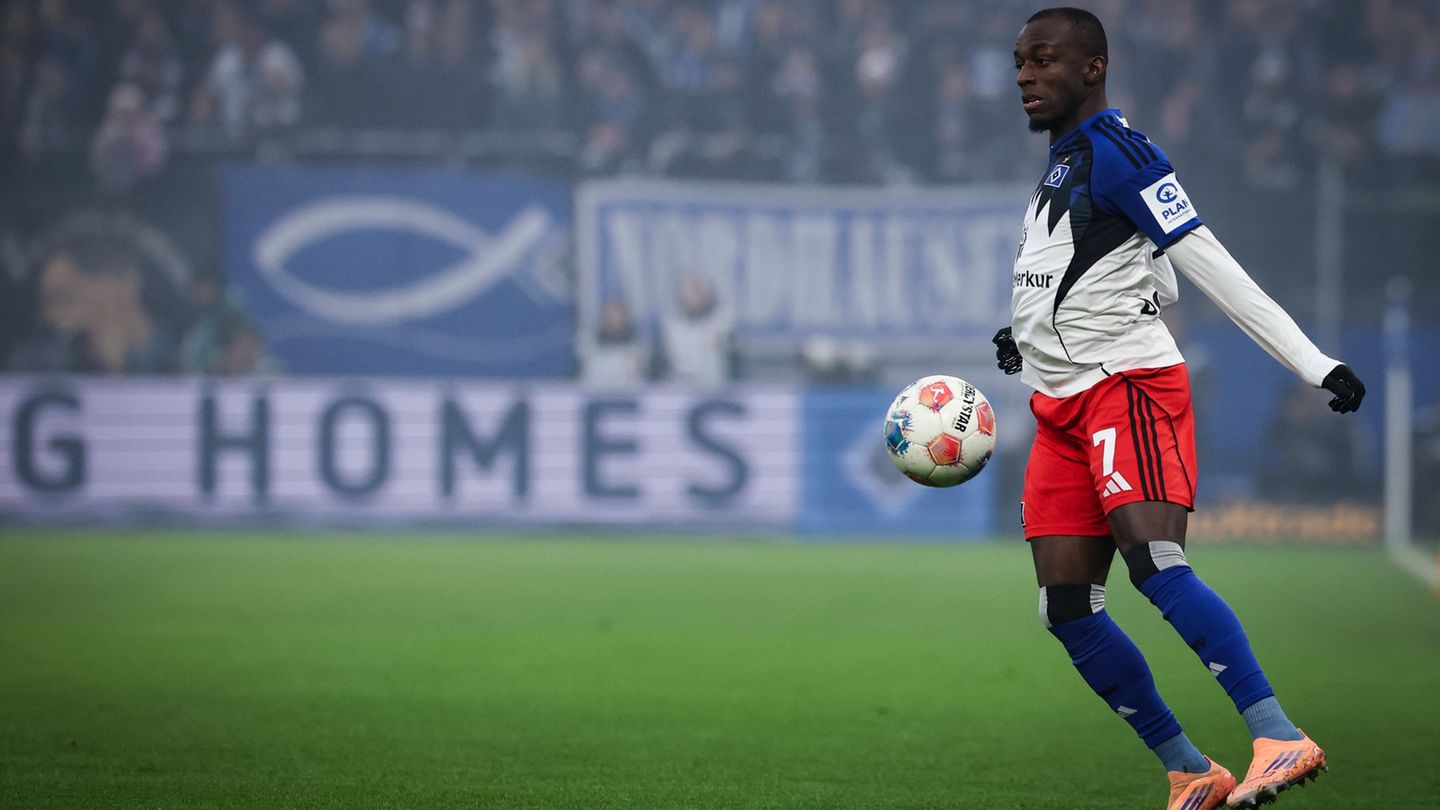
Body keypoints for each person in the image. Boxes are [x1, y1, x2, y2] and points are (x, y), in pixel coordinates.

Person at [993, 9, 1365, 810]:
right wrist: (1022, 334)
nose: (1024, 75)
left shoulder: (1125, 153)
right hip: (1058, 402)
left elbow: (1205, 264)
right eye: (1019, 61)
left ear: (1092, 68)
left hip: (1126, 386)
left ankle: (1278, 734)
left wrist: (1312, 361)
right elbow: (1108, 274)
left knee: (1153, 562)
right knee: (1065, 606)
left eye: (1043, 60)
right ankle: (1190, 768)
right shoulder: (1061, 165)